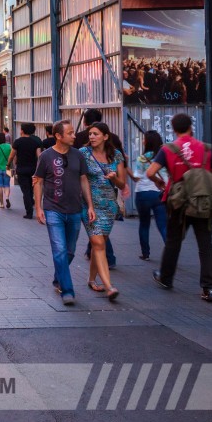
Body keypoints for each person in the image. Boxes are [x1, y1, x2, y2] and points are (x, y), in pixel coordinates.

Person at [147, 113, 212, 301]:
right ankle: (209, 288)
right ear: (191, 128)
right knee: (205, 243)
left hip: (178, 201)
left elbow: (150, 171)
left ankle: (166, 277)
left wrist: (161, 183)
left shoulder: (168, 149)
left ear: (174, 129)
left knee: (173, 240)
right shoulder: (207, 149)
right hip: (202, 200)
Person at [34, 120, 95, 306]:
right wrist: (38, 208)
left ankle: (58, 277)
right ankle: (67, 291)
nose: (74, 135)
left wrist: (90, 205)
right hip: (53, 210)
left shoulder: (78, 155)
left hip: (76, 210)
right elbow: (38, 181)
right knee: (59, 250)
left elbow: (84, 180)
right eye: (69, 133)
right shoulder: (46, 156)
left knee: (70, 251)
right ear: (58, 136)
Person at [79, 123, 126, 301]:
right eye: (90, 134)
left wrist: (115, 179)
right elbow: (81, 178)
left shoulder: (116, 155)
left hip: (109, 206)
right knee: (98, 244)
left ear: (105, 136)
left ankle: (92, 279)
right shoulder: (83, 154)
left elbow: (122, 184)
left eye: (95, 134)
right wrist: (90, 205)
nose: (91, 137)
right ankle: (109, 287)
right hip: (89, 205)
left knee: (99, 245)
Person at [130, 130, 167, 261]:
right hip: (160, 193)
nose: (143, 141)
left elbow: (137, 177)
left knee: (144, 224)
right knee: (162, 224)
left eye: (144, 139)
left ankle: (145, 253)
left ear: (148, 141)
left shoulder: (142, 158)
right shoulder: (164, 156)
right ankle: (170, 251)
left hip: (142, 193)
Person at [8, 123, 42, 219]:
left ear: (22, 131)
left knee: (25, 191)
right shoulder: (35, 142)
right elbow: (39, 156)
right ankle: (31, 202)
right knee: (31, 189)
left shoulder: (18, 142)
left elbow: (12, 155)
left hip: (22, 169)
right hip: (33, 169)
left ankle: (29, 212)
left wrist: (8, 164)